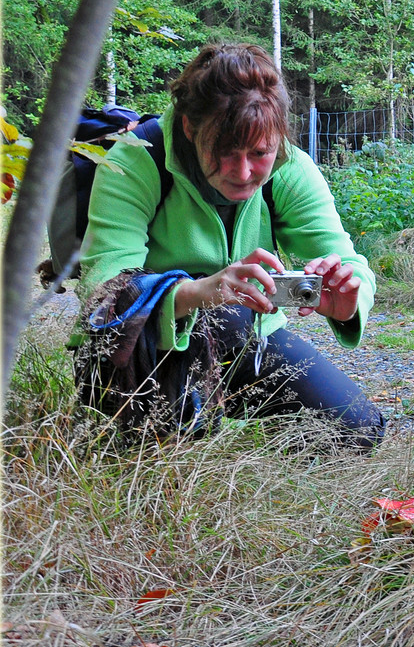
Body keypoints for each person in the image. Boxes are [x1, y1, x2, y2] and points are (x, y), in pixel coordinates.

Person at [73, 42, 382, 447]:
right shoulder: (134, 161)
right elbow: (104, 291)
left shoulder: (291, 169)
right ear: (189, 127)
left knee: (356, 430)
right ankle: (171, 429)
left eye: (259, 153)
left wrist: (347, 298)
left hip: (249, 338)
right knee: (227, 316)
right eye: (224, 152)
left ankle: (216, 421)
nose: (243, 172)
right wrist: (199, 292)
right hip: (141, 348)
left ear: (278, 139)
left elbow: (348, 261)